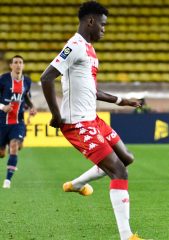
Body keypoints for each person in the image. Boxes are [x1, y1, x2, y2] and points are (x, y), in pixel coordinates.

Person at [40, 2, 148, 240]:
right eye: (102, 24)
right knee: (119, 172)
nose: (104, 29)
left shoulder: (89, 50)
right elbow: (46, 78)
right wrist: (57, 115)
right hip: (78, 123)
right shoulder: (74, 46)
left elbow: (92, 90)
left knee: (125, 158)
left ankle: (77, 184)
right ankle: (127, 236)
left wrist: (123, 101)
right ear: (90, 21)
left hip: (93, 119)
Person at [0, 55, 37, 189]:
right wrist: (3, 107)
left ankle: (7, 180)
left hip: (18, 121)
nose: (18, 65)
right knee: (1, 153)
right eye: (15, 62)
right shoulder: (3, 79)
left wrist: (31, 107)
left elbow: (26, 96)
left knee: (15, 145)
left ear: (23, 65)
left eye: (20, 62)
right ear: (11, 65)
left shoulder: (26, 81)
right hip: (2, 121)